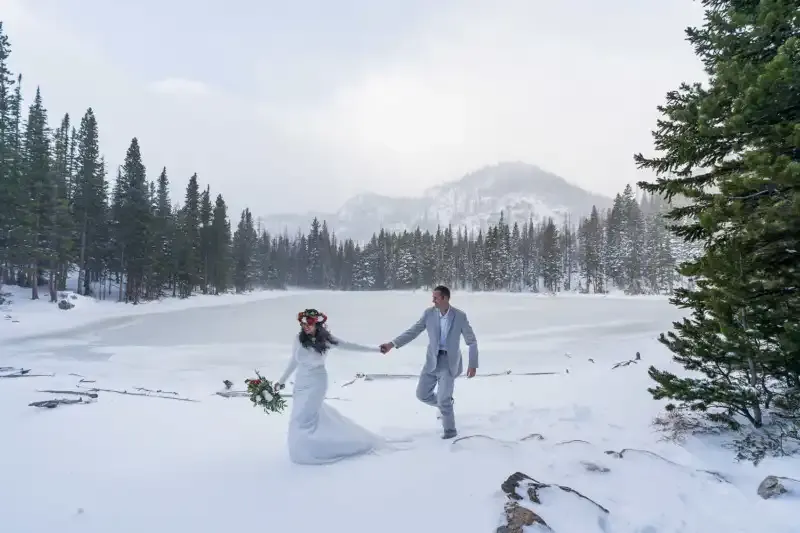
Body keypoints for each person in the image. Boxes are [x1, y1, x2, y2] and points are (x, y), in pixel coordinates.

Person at [274, 308, 383, 465]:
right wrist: (282, 381)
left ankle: (315, 448)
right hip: (300, 384)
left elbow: (351, 346)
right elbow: (294, 361)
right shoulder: (298, 339)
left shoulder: (326, 340)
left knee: (305, 420)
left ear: (317, 324)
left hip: (317, 384)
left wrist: (377, 349)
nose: (305, 326)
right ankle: (300, 448)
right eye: (303, 323)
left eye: (309, 323)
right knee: (297, 419)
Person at [379, 285, 478, 439]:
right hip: (432, 360)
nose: (433, 301)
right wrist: (392, 344)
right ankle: (446, 405)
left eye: (435, 298)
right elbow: (413, 331)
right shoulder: (429, 314)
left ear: (445, 298)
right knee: (422, 394)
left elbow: (471, 341)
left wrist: (472, 364)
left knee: (443, 399)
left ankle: (450, 433)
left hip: (449, 362)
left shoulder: (460, 316)